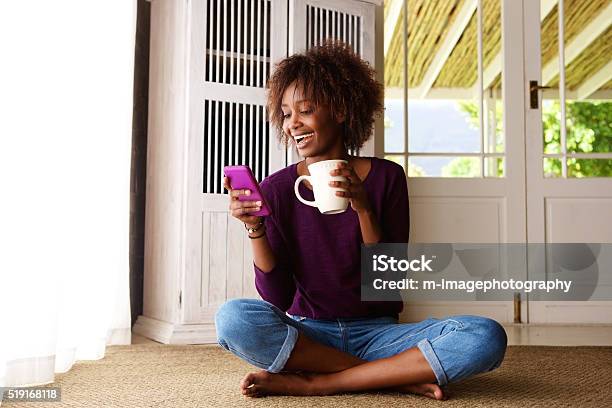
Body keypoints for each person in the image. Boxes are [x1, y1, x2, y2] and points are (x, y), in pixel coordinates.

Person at [215, 40, 506, 400]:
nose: (294, 124)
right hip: (310, 335)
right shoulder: (276, 189)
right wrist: (254, 226)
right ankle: (395, 378)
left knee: (485, 335)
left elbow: (389, 278)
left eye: (305, 110)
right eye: (287, 114)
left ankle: (321, 380)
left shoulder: (387, 178)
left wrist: (363, 208)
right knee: (233, 318)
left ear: (339, 110)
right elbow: (278, 296)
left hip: (379, 336)